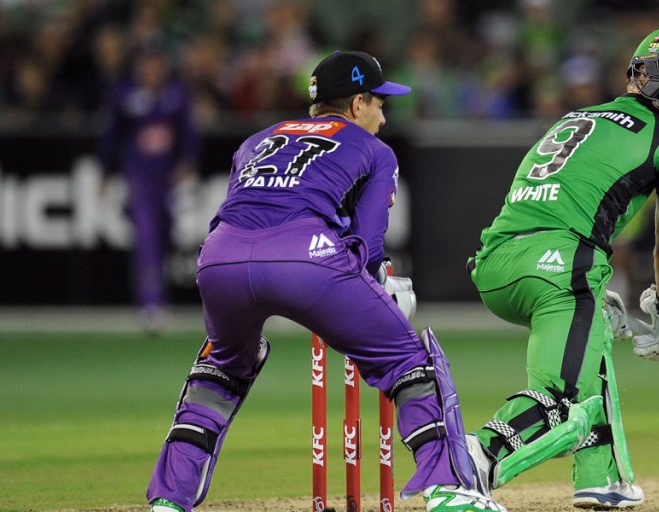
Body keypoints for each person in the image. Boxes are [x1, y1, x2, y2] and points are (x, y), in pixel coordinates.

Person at [146, 51, 506, 512]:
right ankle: (449, 491)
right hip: (304, 257)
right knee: (408, 361)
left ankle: (169, 500)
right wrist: (377, 289)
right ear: (357, 104)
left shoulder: (257, 139)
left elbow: (241, 206)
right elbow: (369, 246)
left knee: (222, 369)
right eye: (379, 104)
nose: (382, 118)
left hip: (219, 258)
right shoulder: (376, 151)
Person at [465, 27, 659, 509]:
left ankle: (601, 477)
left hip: (495, 262)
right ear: (645, 73)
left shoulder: (576, 116)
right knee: (560, 400)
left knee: (596, 331)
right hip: (562, 264)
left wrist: (590, 287)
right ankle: (469, 462)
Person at [99, 44, 199, 333]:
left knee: (166, 235)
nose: (153, 70)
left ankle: (157, 297)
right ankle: (151, 304)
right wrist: (106, 171)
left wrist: (187, 163)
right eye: (149, 64)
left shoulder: (176, 96)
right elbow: (111, 136)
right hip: (139, 179)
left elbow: (188, 134)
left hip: (167, 181)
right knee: (147, 238)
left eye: (158, 64)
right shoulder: (125, 96)